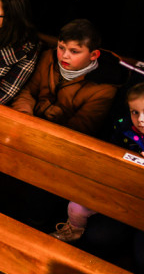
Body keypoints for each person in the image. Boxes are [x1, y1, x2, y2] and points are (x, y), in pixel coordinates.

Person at [50, 84, 144, 262]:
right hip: (117, 183)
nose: (140, 120)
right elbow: (109, 151)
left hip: (139, 195)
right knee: (77, 206)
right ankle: (74, 231)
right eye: (135, 112)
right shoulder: (123, 127)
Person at [11, 20, 125, 136]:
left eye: (74, 51)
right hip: (27, 123)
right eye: (61, 47)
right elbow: (29, 92)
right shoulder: (48, 58)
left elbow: (80, 128)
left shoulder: (104, 88)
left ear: (93, 55)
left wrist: (41, 134)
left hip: (59, 138)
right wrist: (24, 116)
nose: (64, 56)